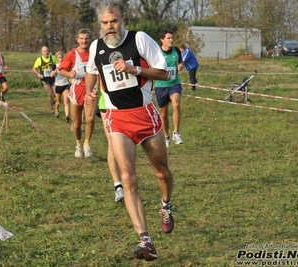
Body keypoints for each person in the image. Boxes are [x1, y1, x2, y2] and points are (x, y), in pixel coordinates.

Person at [84, 0, 174, 261]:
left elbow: (165, 73)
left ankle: (166, 204)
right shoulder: (96, 46)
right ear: (100, 24)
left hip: (145, 115)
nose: (109, 27)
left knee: (161, 172)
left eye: (113, 21)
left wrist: (136, 69)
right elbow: (92, 70)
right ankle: (145, 239)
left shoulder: (140, 39)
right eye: (104, 23)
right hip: (116, 118)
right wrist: (90, 91)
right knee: (128, 177)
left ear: (122, 19)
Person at [59, 29, 97, 158]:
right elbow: (61, 70)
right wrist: (69, 73)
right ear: (77, 39)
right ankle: (78, 144)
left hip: (90, 90)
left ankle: (87, 144)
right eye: (81, 38)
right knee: (77, 124)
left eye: (86, 38)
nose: (84, 41)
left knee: (90, 119)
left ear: (90, 39)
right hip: (76, 90)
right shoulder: (72, 54)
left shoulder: (94, 53)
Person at [155, 29, 183, 147]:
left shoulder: (176, 50)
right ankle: (166, 136)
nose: (171, 40)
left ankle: (176, 132)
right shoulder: (156, 53)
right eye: (168, 38)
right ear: (162, 40)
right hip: (161, 86)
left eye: (172, 38)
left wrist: (181, 66)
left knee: (176, 105)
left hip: (174, 84)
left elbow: (180, 62)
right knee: (164, 114)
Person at [98, 86, 124, 202]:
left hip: (130, 103)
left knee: (128, 144)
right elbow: (92, 74)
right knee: (112, 143)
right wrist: (91, 91)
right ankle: (118, 185)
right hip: (107, 105)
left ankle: (128, 179)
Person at [32, 46, 58, 113]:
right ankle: (51, 108)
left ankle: (52, 101)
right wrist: (38, 74)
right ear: (42, 52)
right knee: (49, 93)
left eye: (47, 51)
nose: (46, 52)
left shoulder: (53, 58)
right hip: (44, 79)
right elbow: (34, 69)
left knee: (55, 94)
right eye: (45, 51)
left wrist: (55, 71)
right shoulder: (39, 59)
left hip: (53, 78)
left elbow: (58, 65)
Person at [54, 51, 70, 122]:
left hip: (65, 84)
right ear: (57, 59)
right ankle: (57, 109)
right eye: (59, 58)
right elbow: (51, 75)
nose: (61, 59)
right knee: (58, 102)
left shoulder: (66, 65)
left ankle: (67, 116)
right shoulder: (55, 66)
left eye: (62, 57)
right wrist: (56, 70)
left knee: (66, 101)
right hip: (58, 85)